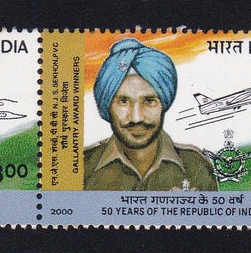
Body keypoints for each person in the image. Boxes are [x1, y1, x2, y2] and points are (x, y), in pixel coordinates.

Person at [83, 38, 218, 192]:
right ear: (107, 106)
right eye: (123, 101)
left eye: (149, 101)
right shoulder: (82, 167)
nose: (136, 117)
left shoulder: (195, 166)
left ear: (163, 104)